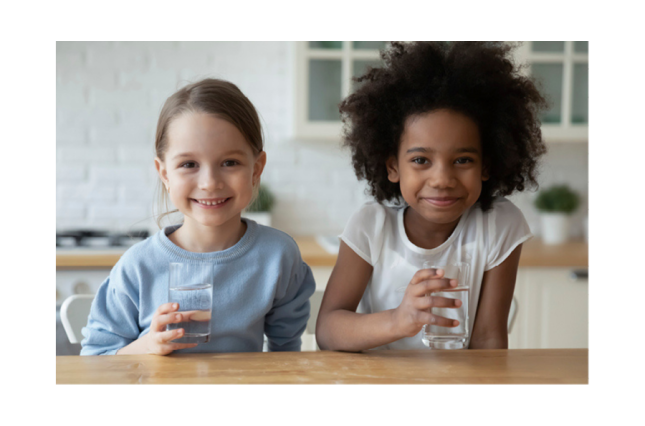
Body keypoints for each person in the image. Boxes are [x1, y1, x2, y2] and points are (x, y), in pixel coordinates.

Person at [316, 41, 548, 351]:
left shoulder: (499, 224)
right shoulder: (371, 225)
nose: (441, 180)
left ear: (486, 165)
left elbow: (488, 339)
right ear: (393, 166)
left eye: (463, 160)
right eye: (421, 160)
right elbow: (328, 331)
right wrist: (399, 320)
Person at [81, 78, 315, 355]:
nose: (209, 182)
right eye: (189, 164)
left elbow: (286, 356)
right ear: (165, 174)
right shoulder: (138, 266)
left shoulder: (278, 255)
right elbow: (95, 361)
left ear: (256, 169)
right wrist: (147, 347)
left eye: (230, 163)